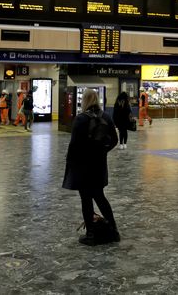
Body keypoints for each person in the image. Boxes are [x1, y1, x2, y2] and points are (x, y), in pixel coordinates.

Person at [62, 88, 120, 245]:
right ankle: (114, 230)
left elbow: (74, 144)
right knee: (100, 196)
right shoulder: (106, 117)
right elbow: (114, 139)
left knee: (86, 199)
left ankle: (91, 234)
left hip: (83, 165)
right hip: (99, 164)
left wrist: (70, 162)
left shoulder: (81, 119)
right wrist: (103, 151)